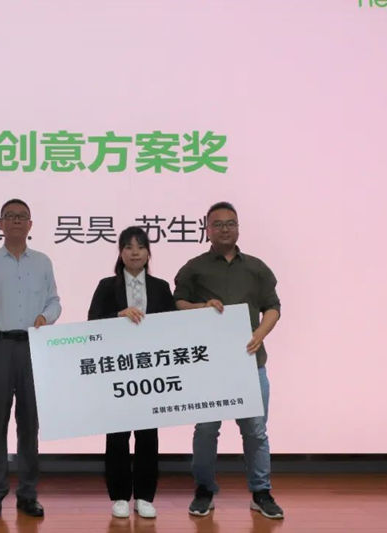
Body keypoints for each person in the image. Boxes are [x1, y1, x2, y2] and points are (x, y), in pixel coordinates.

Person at [173, 201, 284, 520]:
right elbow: (177, 303)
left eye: (230, 223)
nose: (225, 229)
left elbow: (273, 307)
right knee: (206, 430)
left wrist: (260, 333)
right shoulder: (194, 268)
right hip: (210, 365)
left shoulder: (257, 268)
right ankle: (204, 490)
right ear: (207, 229)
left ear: (238, 228)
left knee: (256, 431)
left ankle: (261, 492)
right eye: (218, 224)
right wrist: (200, 308)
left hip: (251, 362)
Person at [0, 199, 61, 519]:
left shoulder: (43, 262)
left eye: (22, 216)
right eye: (10, 216)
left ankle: (28, 494)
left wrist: (46, 317)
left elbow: (55, 301)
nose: (16, 221)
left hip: (33, 346)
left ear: (31, 224)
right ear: (1, 224)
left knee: (30, 424)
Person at [87, 226, 176, 519]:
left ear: (149, 252)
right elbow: (92, 322)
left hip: (151, 370)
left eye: (140, 246)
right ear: (120, 252)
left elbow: (174, 327)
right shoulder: (106, 286)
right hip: (117, 370)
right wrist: (118, 316)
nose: (135, 252)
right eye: (128, 246)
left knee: (148, 435)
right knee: (117, 435)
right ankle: (120, 496)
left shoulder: (161, 287)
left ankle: (145, 496)